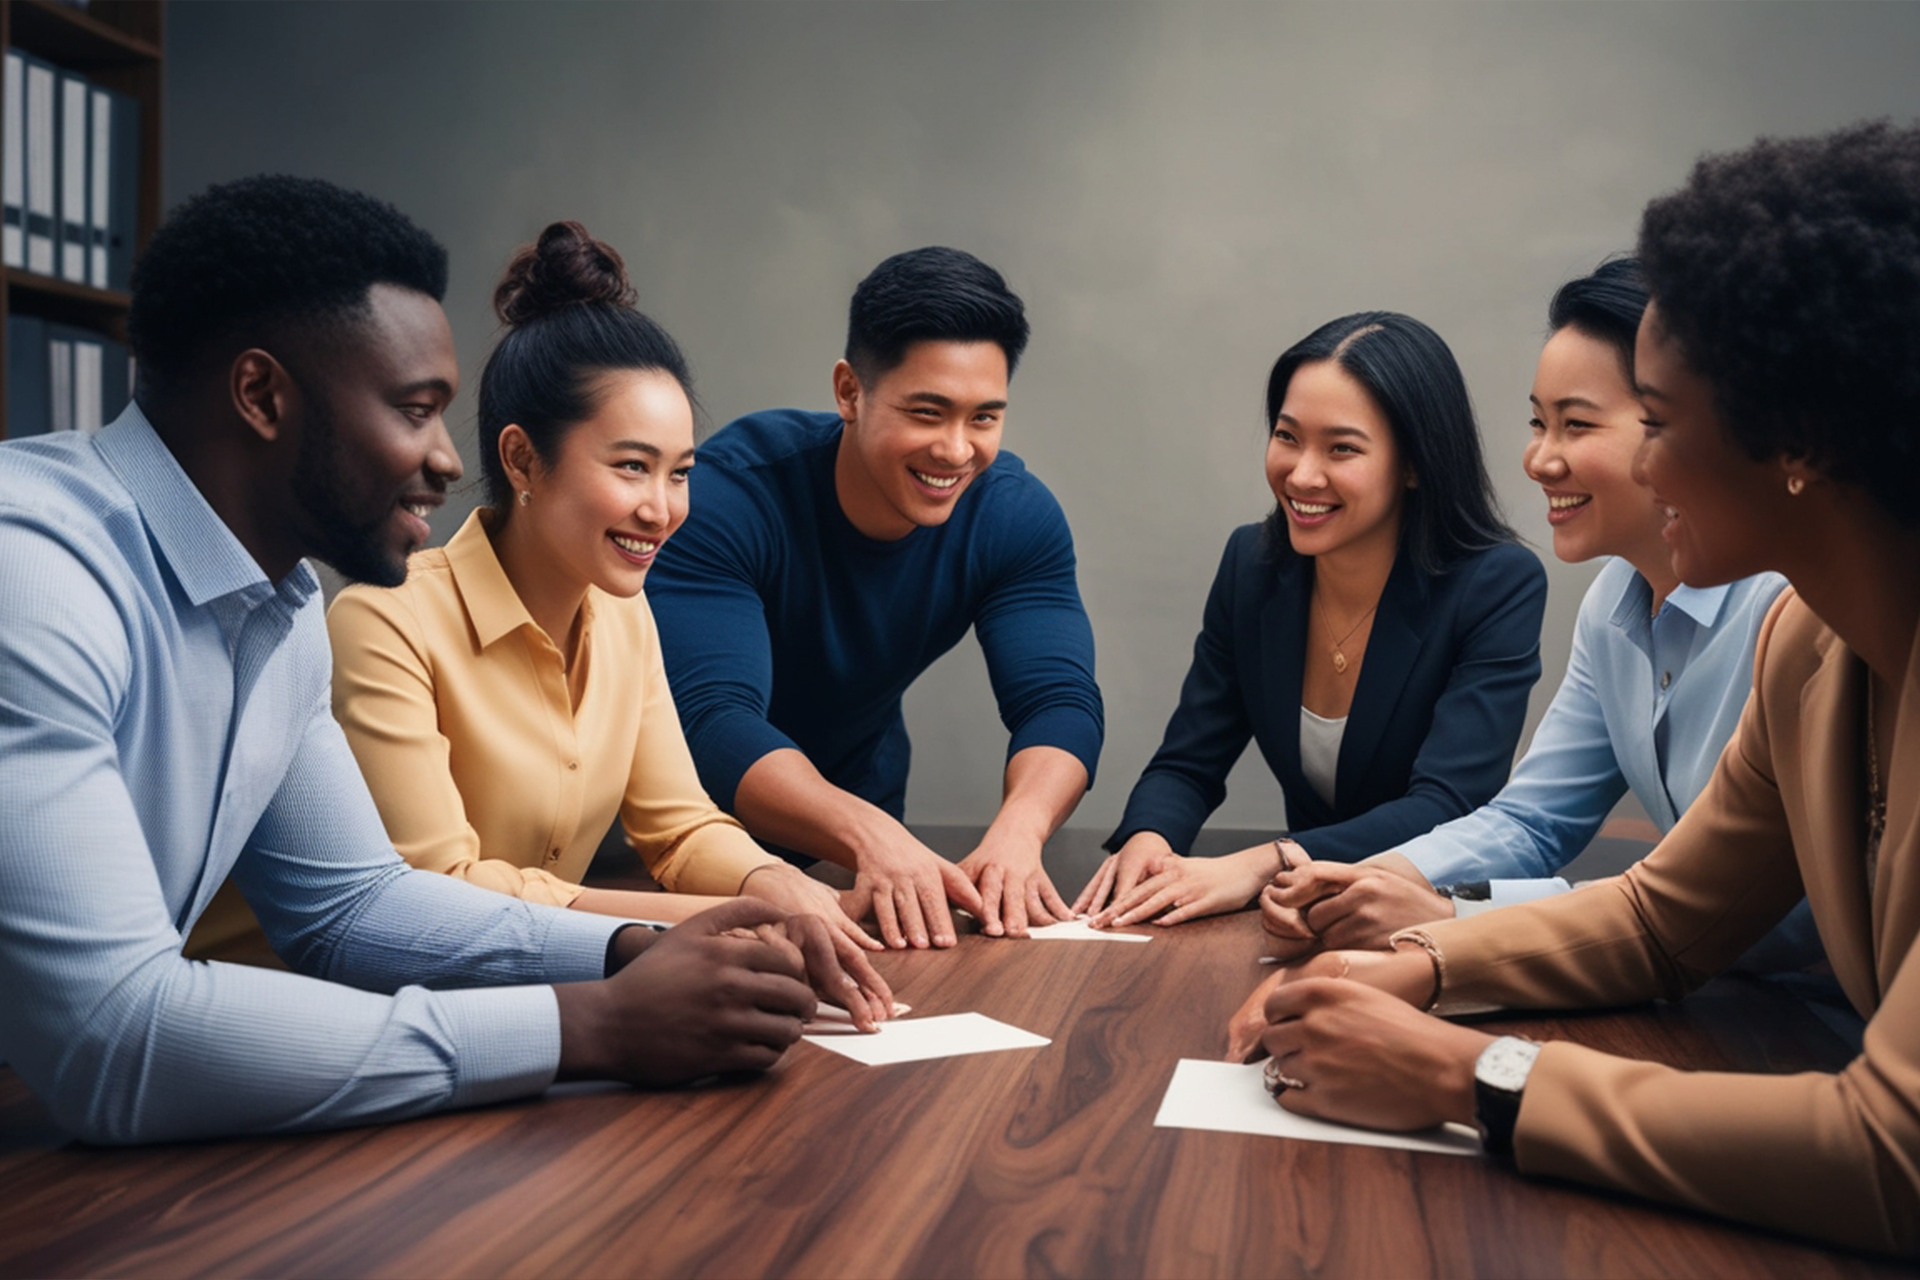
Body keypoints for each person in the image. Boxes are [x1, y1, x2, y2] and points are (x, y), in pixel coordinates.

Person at [0, 175, 883, 1146]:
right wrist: (588, 1023)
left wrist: (637, 945)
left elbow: (350, 905)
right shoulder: (31, 575)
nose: (445, 460)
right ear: (261, 395)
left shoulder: (283, 605)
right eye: (415, 410)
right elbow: (112, 1037)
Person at [1225, 120, 1920, 1259]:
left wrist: (1469, 1073)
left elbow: (1895, 1152)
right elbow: (1660, 916)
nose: (1631, 466)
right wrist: (1417, 964)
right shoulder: (1809, 644)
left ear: (1797, 433)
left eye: (1661, 420)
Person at [326, 221, 889, 1010]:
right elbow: (439, 888)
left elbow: (681, 826)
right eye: (631, 467)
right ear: (523, 460)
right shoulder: (384, 621)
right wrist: (718, 924)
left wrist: (780, 885)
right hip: (314, 1026)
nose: (662, 509)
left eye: (680, 474)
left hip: (503, 1002)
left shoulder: (624, 617)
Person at [1257, 262, 1799, 962]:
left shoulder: (1787, 611)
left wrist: (1455, 913)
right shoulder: (1613, 603)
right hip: (1720, 998)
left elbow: (1725, 909)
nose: (1539, 459)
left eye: (1576, 425)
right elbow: (1533, 819)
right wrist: (1370, 881)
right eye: (1539, 423)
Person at [646, 247, 1103, 948]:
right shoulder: (728, 498)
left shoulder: (1013, 516)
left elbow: (1060, 701)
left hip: (861, 837)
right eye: (928, 412)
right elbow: (712, 720)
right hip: (681, 845)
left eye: (984, 417)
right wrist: (869, 834)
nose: (956, 450)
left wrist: (1020, 832)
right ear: (849, 391)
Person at [1074, 312, 1547, 928]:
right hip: (1302, 918)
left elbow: (1448, 804)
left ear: (1414, 465)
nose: (1300, 474)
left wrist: (1265, 863)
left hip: (1434, 919)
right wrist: (1149, 840)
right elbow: (1189, 760)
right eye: (1287, 436)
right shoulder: (1252, 564)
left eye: (1342, 448)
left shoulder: (1496, 584)